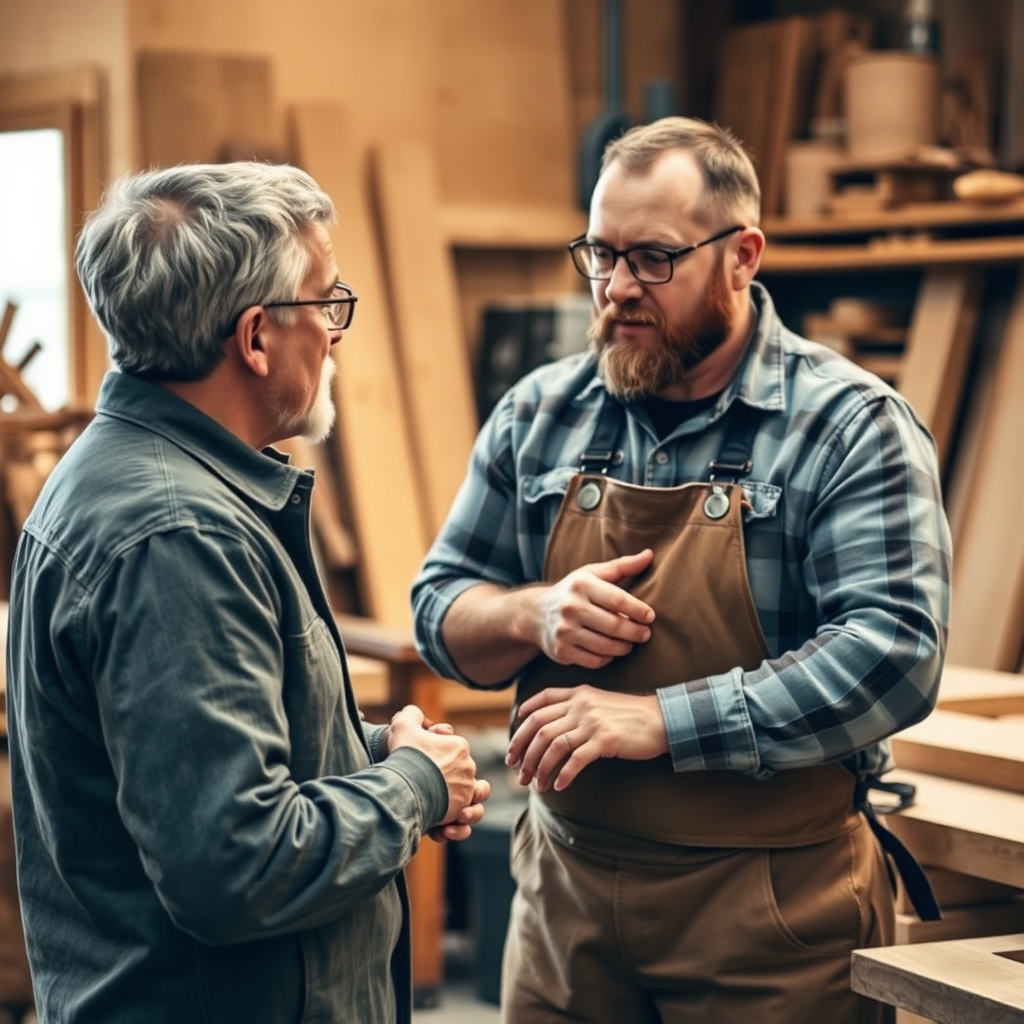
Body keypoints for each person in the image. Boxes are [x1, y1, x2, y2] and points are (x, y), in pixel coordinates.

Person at [411, 116, 951, 1024]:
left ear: (742, 256)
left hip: (773, 914)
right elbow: (438, 607)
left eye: (653, 258)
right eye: (599, 254)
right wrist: (530, 616)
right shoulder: (538, 415)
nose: (617, 288)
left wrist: (663, 721)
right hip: (565, 909)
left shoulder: (849, 426)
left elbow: (895, 653)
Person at [5, 161, 490, 1024]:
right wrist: (415, 786)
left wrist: (371, 750)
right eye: (326, 304)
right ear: (257, 336)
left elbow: (191, 757)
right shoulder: (179, 536)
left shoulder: (139, 481)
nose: (338, 334)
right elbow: (236, 867)